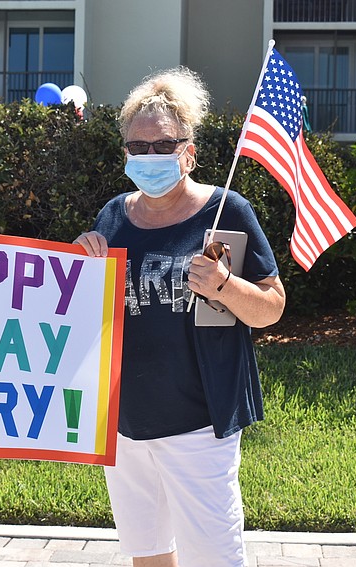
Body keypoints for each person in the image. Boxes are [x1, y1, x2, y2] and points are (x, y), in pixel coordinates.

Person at [74, 67, 285, 567]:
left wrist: (225, 286)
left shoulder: (225, 210)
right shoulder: (113, 216)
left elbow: (271, 307)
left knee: (213, 557)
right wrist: (82, 269)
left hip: (200, 423)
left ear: (188, 149)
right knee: (147, 554)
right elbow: (88, 317)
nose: (151, 156)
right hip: (124, 422)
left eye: (163, 144)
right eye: (138, 147)